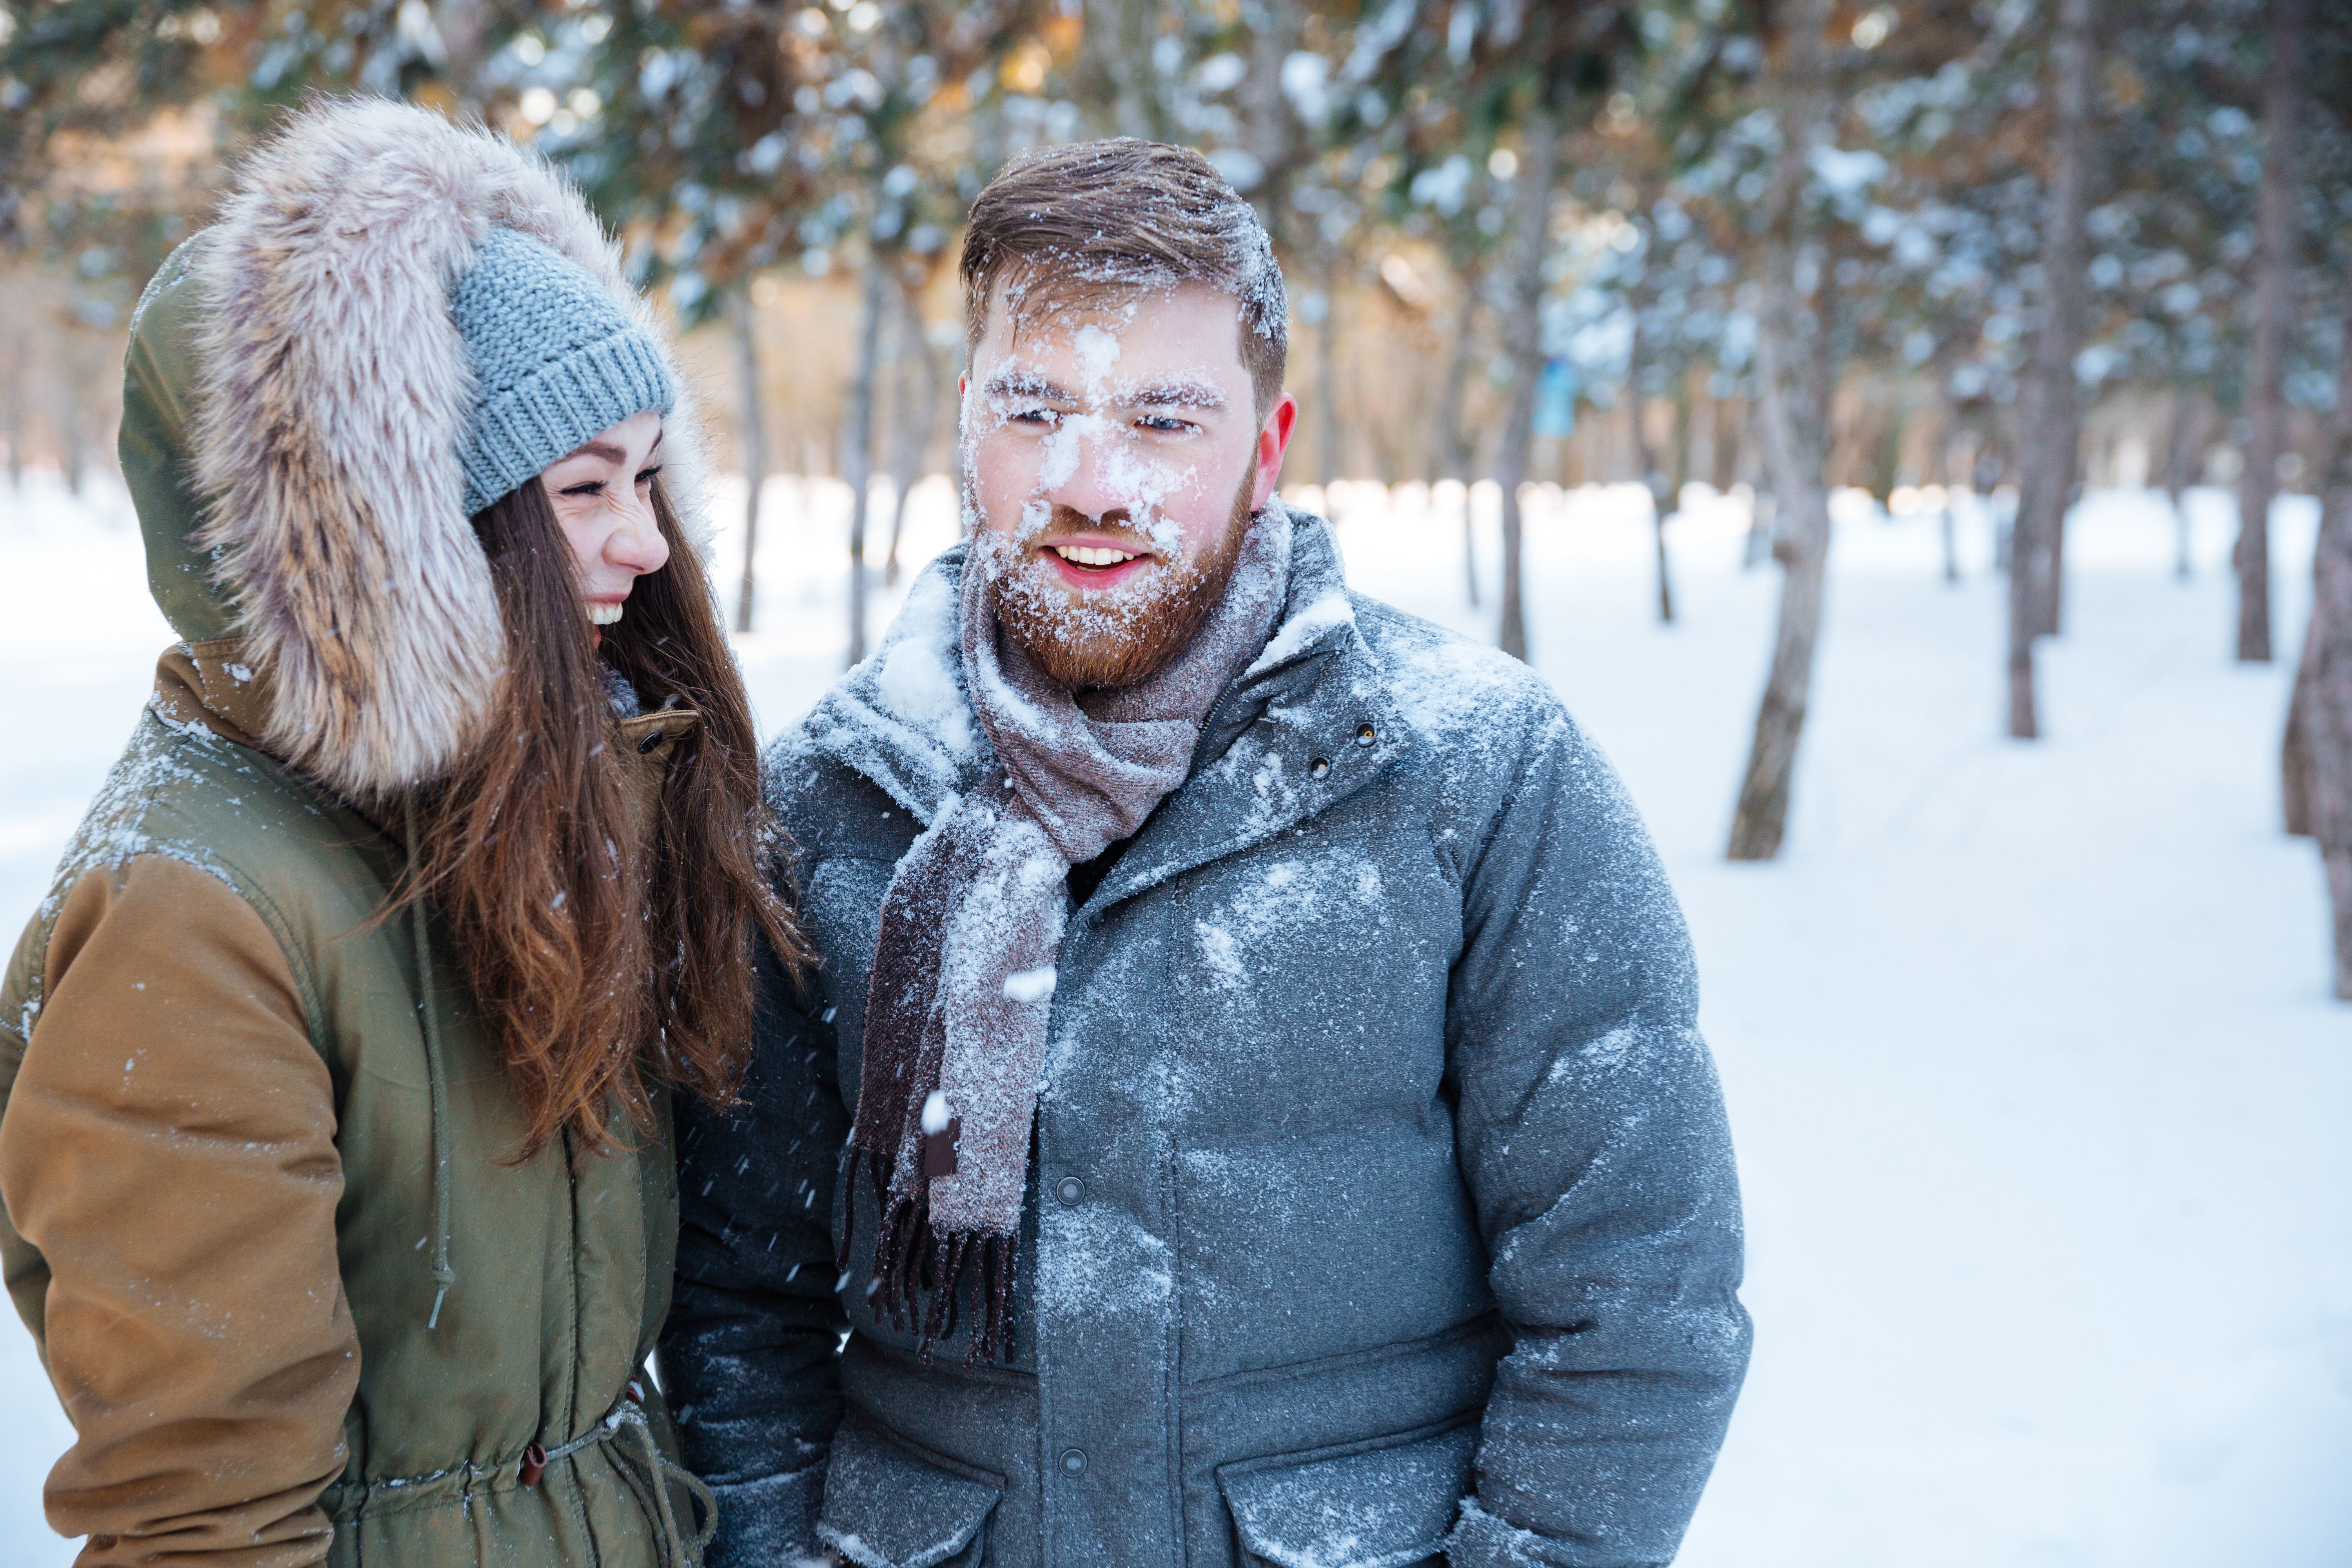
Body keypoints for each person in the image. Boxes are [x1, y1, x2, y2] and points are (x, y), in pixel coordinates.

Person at [663, 138, 1751, 1568]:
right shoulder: (833, 799)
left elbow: (1637, 1294)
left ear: (1269, 446)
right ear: (965, 427)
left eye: (1164, 420)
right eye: (1032, 407)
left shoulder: (1472, 774)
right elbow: (741, 1306)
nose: (1088, 481)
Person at [0, 100, 795, 1566]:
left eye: (649, 478)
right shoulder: (195, 905)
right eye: (585, 488)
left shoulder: (540, 809)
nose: (647, 543)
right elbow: (202, 1518)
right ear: (415, 527)